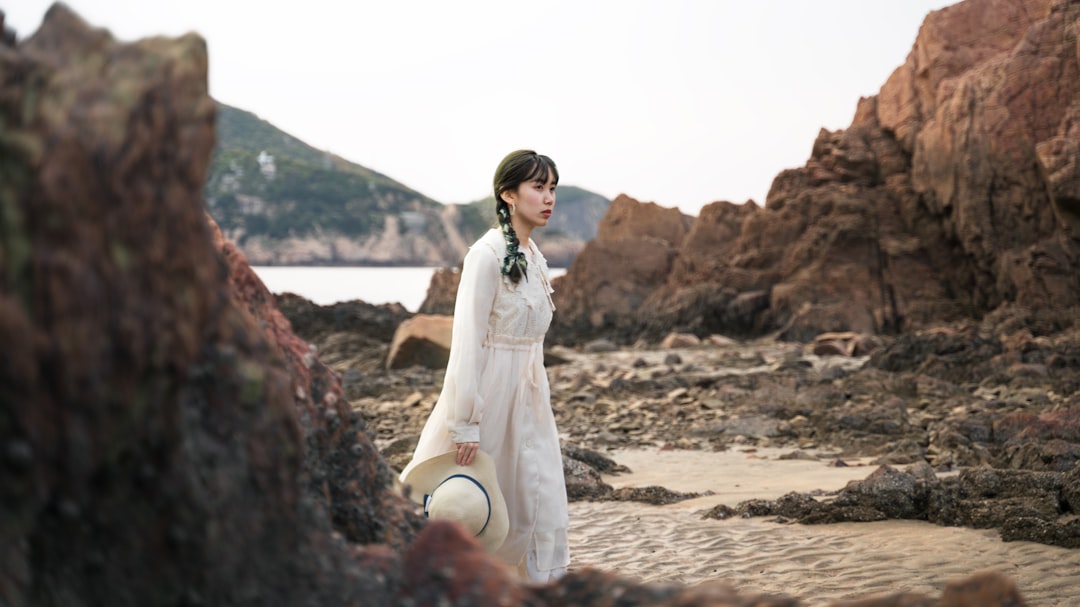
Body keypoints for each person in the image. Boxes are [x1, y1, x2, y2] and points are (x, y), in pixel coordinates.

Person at [398, 149, 569, 582]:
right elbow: (467, 343)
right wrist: (465, 422)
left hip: (529, 402)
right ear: (508, 194)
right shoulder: (486, 254)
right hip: (489, 400)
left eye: (552, 189)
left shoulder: (535, 257)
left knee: (535, 501)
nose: (548, 198)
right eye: (538, 187)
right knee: (481, 506)